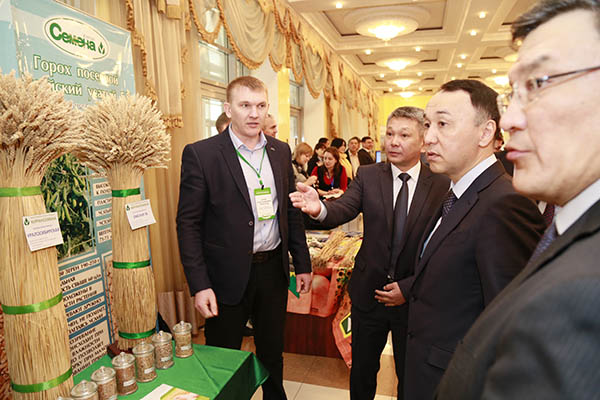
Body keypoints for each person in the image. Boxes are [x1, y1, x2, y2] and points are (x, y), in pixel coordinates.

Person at [437, 1, 600, 398]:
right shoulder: (572, 232)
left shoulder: (584, 295)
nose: (509, 120)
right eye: (514, 93)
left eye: (539, 83)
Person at [398, 79, 545, 400]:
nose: (428, 137)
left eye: (443, 124)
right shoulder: (455, 193)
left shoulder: (504, 204)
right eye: (427, 125)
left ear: (485, 133)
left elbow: (511, 326)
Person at [290, 106, 449, 400]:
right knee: (362, 373)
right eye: (389, 134)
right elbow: (344, 207)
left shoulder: (441, 183)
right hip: (368, 295)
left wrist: (408, 287)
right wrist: (320, 208)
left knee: (410, 377)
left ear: (423, 140)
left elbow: (444, 247)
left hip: (414, 299)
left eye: (404, 135)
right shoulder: (369, 175)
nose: (394, 142)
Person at [176, 76, 312, 400]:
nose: (254, 113)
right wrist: (199, 284)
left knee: (272, 351)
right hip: (225, 276)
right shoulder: (202, 154)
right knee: (223, 357)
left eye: (261, 105)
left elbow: (289, 212)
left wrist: (303, 263)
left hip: (272, 270)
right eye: (245, 105)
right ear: (228, 108)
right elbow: (188, 224)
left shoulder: (280, 151)